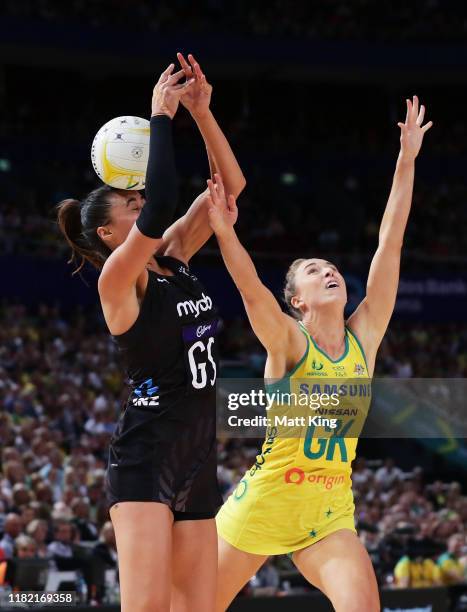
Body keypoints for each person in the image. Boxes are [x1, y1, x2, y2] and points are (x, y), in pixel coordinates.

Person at [208, 97, 432, 611]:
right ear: (298, 300)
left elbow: (389, 245)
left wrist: (406, 161)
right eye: (313, 270)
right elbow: (251, 293)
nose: (328, 270)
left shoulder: (365, 339)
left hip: (328, 514)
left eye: (330, 266)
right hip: (261, 507)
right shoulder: (289, 341)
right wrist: (224, 231)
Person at [57, 53, 245, 612]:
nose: (143, 209)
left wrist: (202, 114)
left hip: (196, 457)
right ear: (108, 232)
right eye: (131, 206)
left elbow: (229, 188)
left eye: (141, 203)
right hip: (145, 456)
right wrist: (160, 117)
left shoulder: (175, 255)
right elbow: (162, 200)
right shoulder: (117, 279)